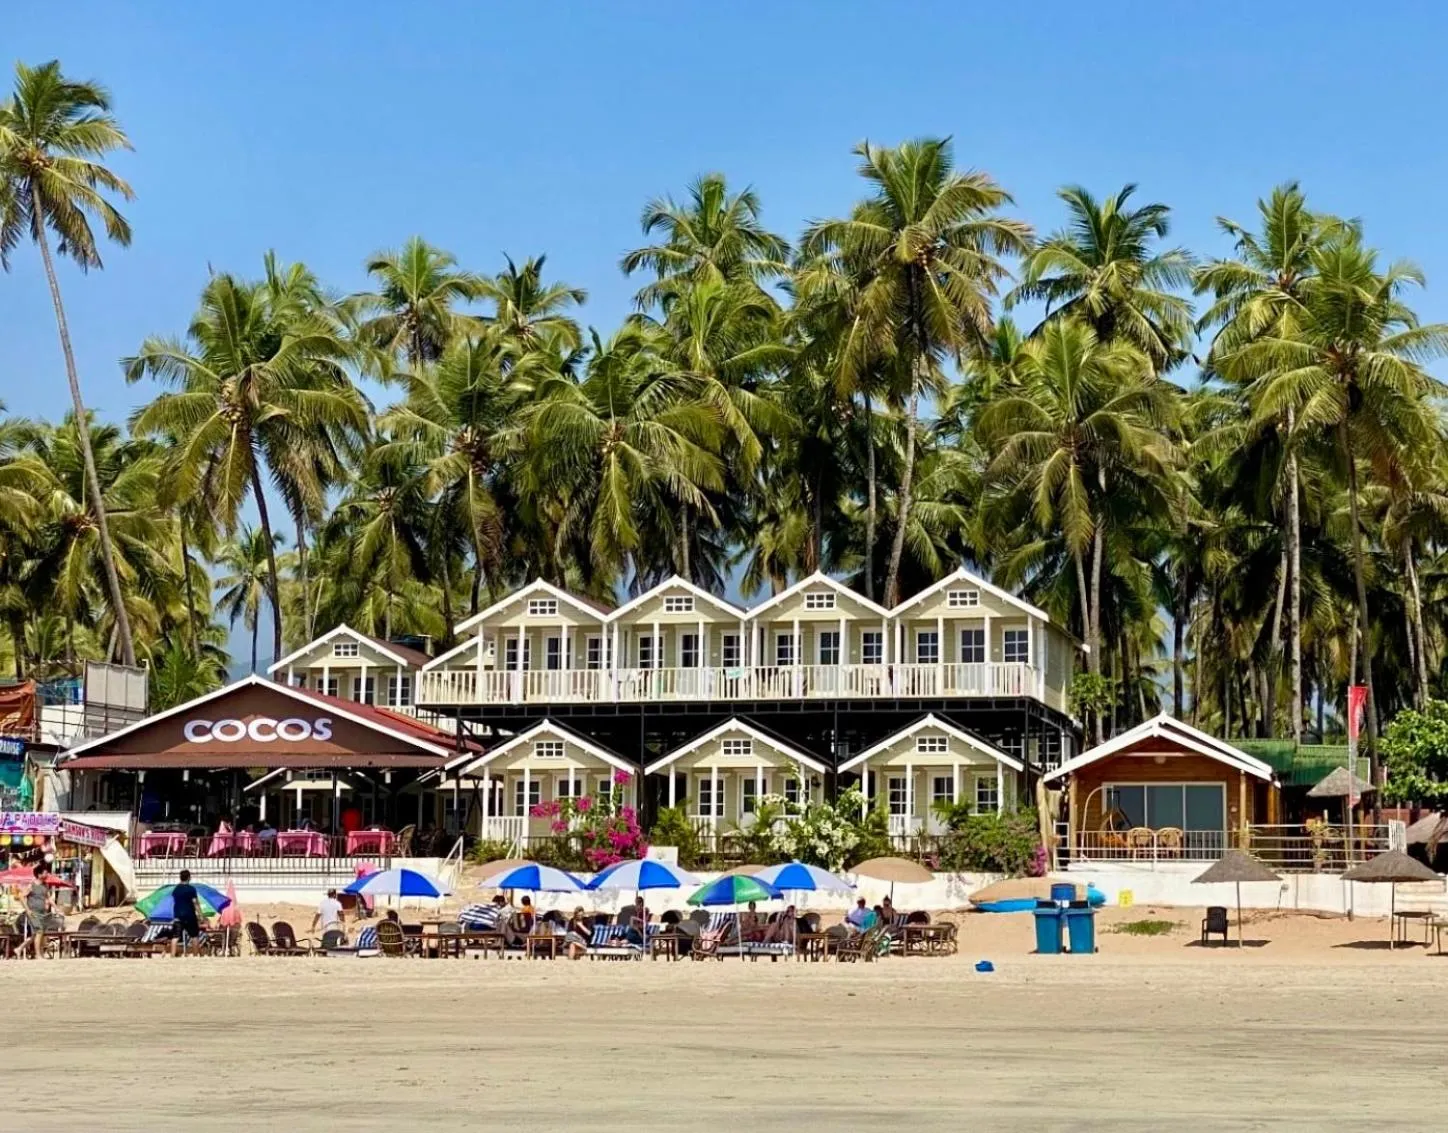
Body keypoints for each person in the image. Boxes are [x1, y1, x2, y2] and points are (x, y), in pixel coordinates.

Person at [170, 869, 203, 958]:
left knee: (175, 937)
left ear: (180, 878)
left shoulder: (176, 889)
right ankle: (195, 956)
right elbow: (195, 902)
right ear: (189, 877)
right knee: (194, 936)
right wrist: (201, 915)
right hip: (190, 915)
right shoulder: (191, 889)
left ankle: (172, 956)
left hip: (178, 915)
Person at [24, 865, 53, 959]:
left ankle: (20, 949)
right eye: (45, 873)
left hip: (42, 913)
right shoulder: (31, 885)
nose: (47, 874)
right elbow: (21, 896)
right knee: (39, 931)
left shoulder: (45, 885)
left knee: (37, 934)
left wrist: (56, 908)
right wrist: (27, 910)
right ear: (39, 874)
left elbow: (49, 898)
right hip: (33, 912)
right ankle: (38, 955)